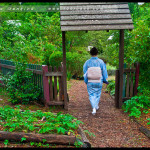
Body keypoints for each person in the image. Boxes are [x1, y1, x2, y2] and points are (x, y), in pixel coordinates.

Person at [83, 47, 108, 115]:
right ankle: (95, 106)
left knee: (91, 95)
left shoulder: (87, 62)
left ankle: (94, 107)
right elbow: (104, 72)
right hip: (99, 80)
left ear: (90, 53)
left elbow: (85, 72)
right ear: (97, 53)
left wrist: (86, 80)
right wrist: (105, 80)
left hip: (90, 81)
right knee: (98, 94)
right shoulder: (101, 62)